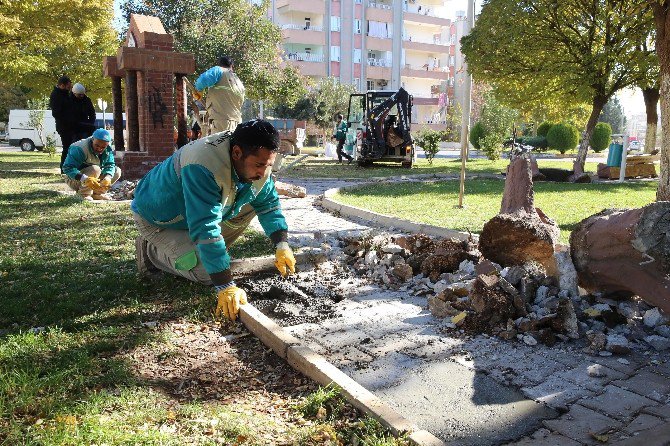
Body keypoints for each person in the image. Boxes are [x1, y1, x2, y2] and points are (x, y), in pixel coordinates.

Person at [131, 119, 296, 322]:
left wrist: (281, 243)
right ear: (237, 153)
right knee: (207, 273)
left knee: (253, 201)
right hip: (159, 219)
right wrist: (225, 284)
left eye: (268, 164)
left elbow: (268, 203)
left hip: (191, 214)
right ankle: (150, 251)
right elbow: (205, 226)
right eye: (259, 165)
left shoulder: (257, 165)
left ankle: (204, 251)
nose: (263, 172)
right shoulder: (202, 165)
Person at [62, 128, 122, 201]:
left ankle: (97, 194)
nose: (99, 149)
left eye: (103, 147)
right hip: (74, 179)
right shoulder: (79, 148)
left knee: (116, 171)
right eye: (97, 145)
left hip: (92, 177)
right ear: (92, 139)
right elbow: (67, 168)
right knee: (95, 169)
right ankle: (84, 194)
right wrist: (84, 178)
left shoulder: (107, 149)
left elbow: (110, 165)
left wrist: (108, 177)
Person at [193, 56, 245, 135]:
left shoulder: (219, 70)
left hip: (220, 120)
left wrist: (199, 90)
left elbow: (202, 81)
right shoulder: (238, 81)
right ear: (232, 66)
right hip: (236, 122)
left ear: (220, 64)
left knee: (219, 146)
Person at [49, 75, 74, 173]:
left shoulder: (65, 94)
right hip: (64, 126)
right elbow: (56, 113)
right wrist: (68, 119)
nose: (69, 88)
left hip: (68, 125)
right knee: (67, 147)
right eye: (68, 86)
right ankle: (64, 169)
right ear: (62, 85)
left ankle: (67, 167)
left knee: (69, 147)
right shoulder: (56, 95)